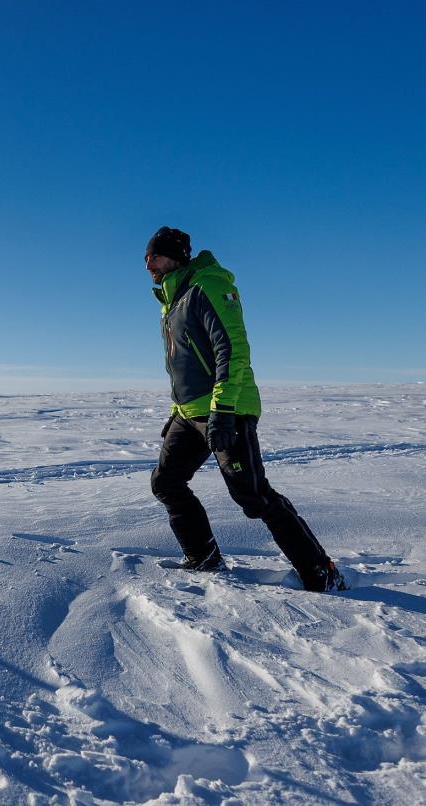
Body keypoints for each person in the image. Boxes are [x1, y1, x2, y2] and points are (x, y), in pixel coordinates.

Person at [145, 226, 347, 592]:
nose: (148, 265)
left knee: (252, 496)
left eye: (154, 257)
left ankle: (320, 569)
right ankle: (203, 557)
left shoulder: (207, 287)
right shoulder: (172, 302)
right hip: (189, 413)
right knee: (166, 482)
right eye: (146, 259)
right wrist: (178, 411)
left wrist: (223, 409)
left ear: (176, 256)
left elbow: (232, 349)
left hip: (226, 408)